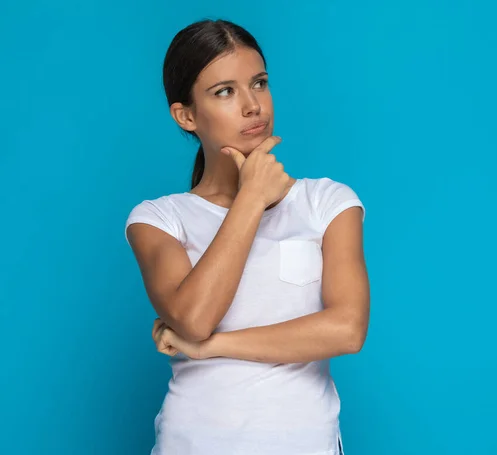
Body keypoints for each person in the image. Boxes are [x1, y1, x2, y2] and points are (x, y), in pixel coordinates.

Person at [125, 18, 370, 455]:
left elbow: (347, 329)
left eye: (259, 83)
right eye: (225, 92)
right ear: (185, 115)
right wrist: (251, 200)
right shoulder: (159, 219)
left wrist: (213, 347)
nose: (252, 105)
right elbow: (194, 318)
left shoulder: (327, 203)